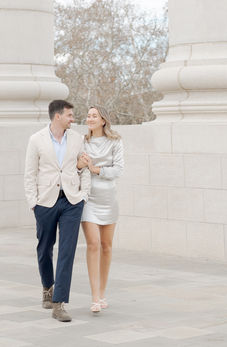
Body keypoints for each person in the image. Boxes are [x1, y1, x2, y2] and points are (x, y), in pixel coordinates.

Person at [24, 99, 91, 323]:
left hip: (72, 202)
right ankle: (47, 287)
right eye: (70, 115)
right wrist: (33, 202)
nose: (73, 119)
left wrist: (84, 195)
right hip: (45, 202)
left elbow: (85, 168)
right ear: (57, 117)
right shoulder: (36, 140)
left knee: (67, 251)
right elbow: (29, 173)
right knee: (44, 249)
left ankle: (59, 303)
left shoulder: (78, 139)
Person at [77, 105, 124, 314]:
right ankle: (94, 297)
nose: (90, 119)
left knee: (106, 246)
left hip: (109, 198)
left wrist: (97, 169)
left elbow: (119, 169)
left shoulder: (115, 141)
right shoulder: (81, 141)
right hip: (88, 198)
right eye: (88, 116)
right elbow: (74, 165)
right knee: (93, 244)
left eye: (94, 116)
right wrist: (80, 164)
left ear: (103, 120)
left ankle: (103, 293)